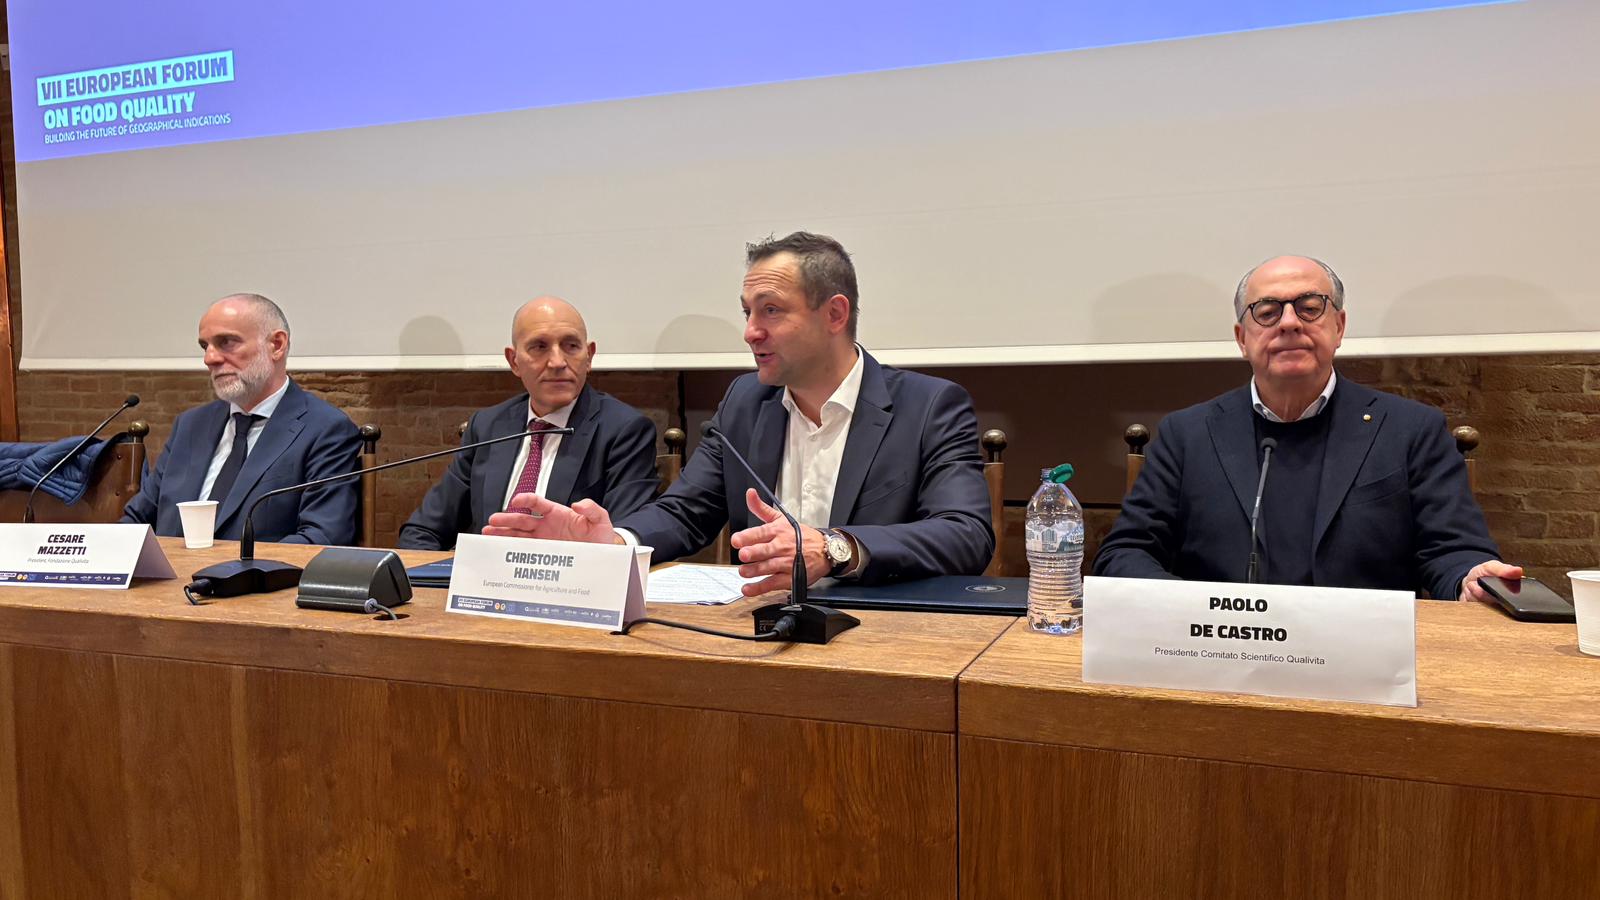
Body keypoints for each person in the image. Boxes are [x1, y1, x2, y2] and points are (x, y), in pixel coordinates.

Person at [483, 232, 994, 594]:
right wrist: (615, 541)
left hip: (886, 636)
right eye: (747, 311)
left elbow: (966, 534)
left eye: (771, 310)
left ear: (835, 314)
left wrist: (834, 548)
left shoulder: (928, 406)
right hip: (759, 632)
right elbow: (686, 511)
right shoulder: (745, 403)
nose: (750, 331)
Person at [1094, 255, 1520, 602]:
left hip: (1361, 659)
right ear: (1242, 338)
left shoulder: (1410, 430)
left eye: (1310, 307)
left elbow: (1453, 550)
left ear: (1339, 327)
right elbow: (1125, 553)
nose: (1289, 323)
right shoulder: (1187, 435)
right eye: (1267, 311)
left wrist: (1468, 578)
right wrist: (1190, 610)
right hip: (1220, 653)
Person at [398, 297, 659, 550]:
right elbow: (422, 531)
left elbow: (619, 544)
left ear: (589, 356)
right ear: (514, 361)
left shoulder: (624, 431)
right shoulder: (488, 426)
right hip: (484, 577)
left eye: (571, 346)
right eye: (539, 347)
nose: (557, 362)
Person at [121, 294, 361, 544]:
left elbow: (320, 538)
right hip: (167, 569)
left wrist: (225, 567)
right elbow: (136, 520)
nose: (209, 359)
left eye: (226, 342)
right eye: (205, 346)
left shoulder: (325, 430)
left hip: (258, 571)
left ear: (276, 345)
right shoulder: (190, 425)